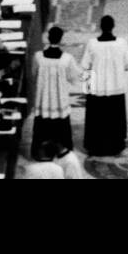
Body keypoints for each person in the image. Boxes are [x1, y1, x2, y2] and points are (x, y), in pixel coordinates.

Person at [80, 16, 128, 156]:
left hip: (96, 90)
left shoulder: (92, 43)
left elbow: (85, 66)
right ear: (113, 26)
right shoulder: (121, 43)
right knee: (114, 120)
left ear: (100, 26)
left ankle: (95, 147)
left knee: (96, 120)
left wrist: (87, 90)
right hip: (116, 87)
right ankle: (115, 146)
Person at [31, 26, 82, 160]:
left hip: (43, 100)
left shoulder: (38, 57)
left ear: (48, 38)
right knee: (61, 128)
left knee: (42, 128)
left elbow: (33, 74)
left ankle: (40, 152)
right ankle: (62, 152)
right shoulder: (67, 59)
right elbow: (74, 78)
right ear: (61, 40)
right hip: (60, 101)